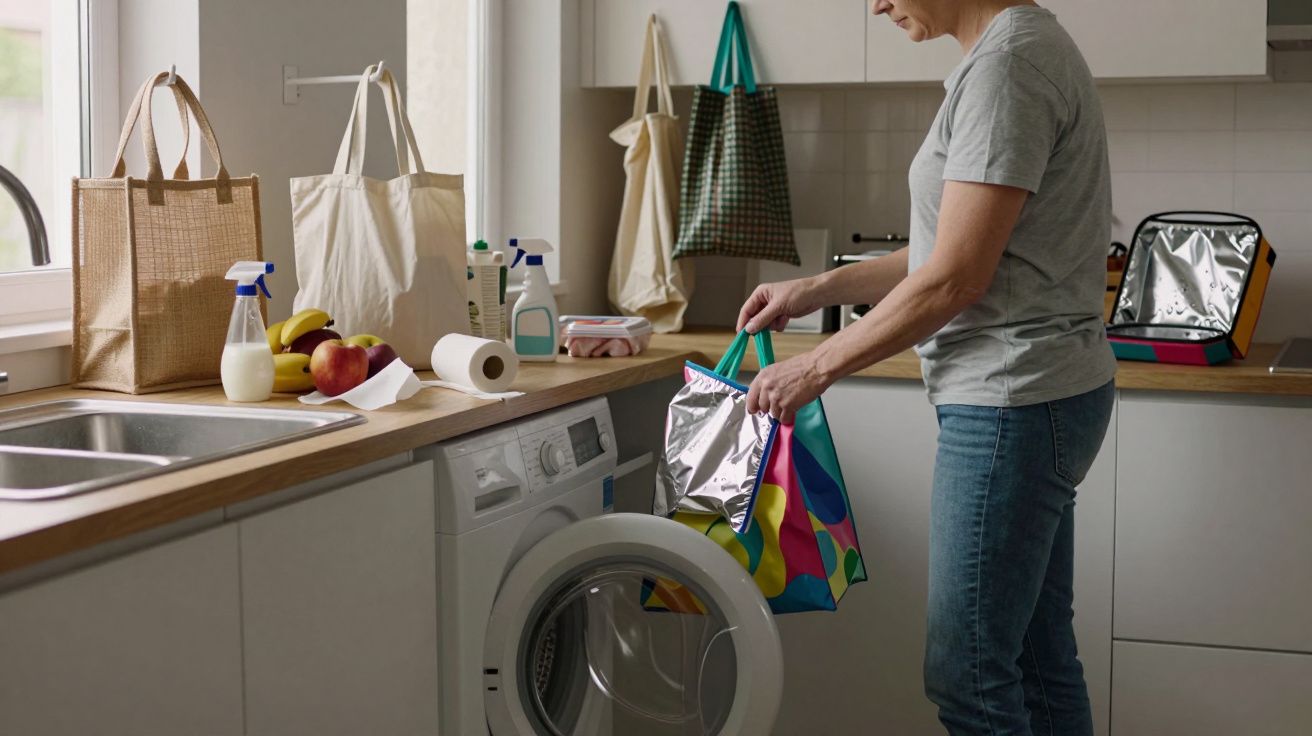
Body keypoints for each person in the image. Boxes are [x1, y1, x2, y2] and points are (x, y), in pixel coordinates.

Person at [736, 1, 1115, 734]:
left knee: (968, 676)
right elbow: (944, 255)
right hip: (1034, 394)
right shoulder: (1009, 55)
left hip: (1012, 400)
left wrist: (813, 367)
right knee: (1036, 662)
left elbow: (955, 281)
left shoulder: (1008, 68)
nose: (875, 3)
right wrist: (814, 289)